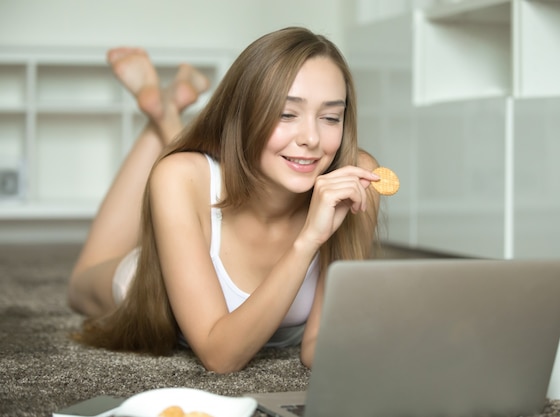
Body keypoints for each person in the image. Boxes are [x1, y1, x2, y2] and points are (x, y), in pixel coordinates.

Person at [67, 26, 381, 374]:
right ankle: (162, 115)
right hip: (146, 283)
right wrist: (308, 240)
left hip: (221, 176)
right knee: (80, 287)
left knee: (213, 165)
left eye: (330, 117)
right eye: (286, 113)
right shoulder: (179, 177)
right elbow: (220, 355)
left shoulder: (357, 182)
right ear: (244, 112)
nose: (311, 138)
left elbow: (317, 345)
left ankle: (165, 111)